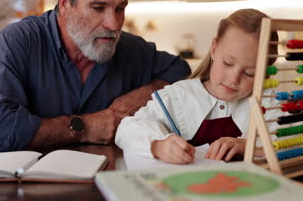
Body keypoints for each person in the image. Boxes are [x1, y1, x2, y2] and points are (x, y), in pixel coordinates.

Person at [0, 0, 191, 154]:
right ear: (65, 4)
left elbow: (183, 73)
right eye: (98, 8)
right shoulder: (18, 42)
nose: (113, 24)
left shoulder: (131, 49)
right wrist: (86, 126)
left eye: (120, 8)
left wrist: (141, 97)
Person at [115, 9, 281, 164]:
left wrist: (248, 146)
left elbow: (291, 144)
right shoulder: (177, 97)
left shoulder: (268, 103)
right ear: (214, 49)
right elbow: (126, 129)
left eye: (250, 73)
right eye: (228, 63)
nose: (233, 79)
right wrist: (157, 145)